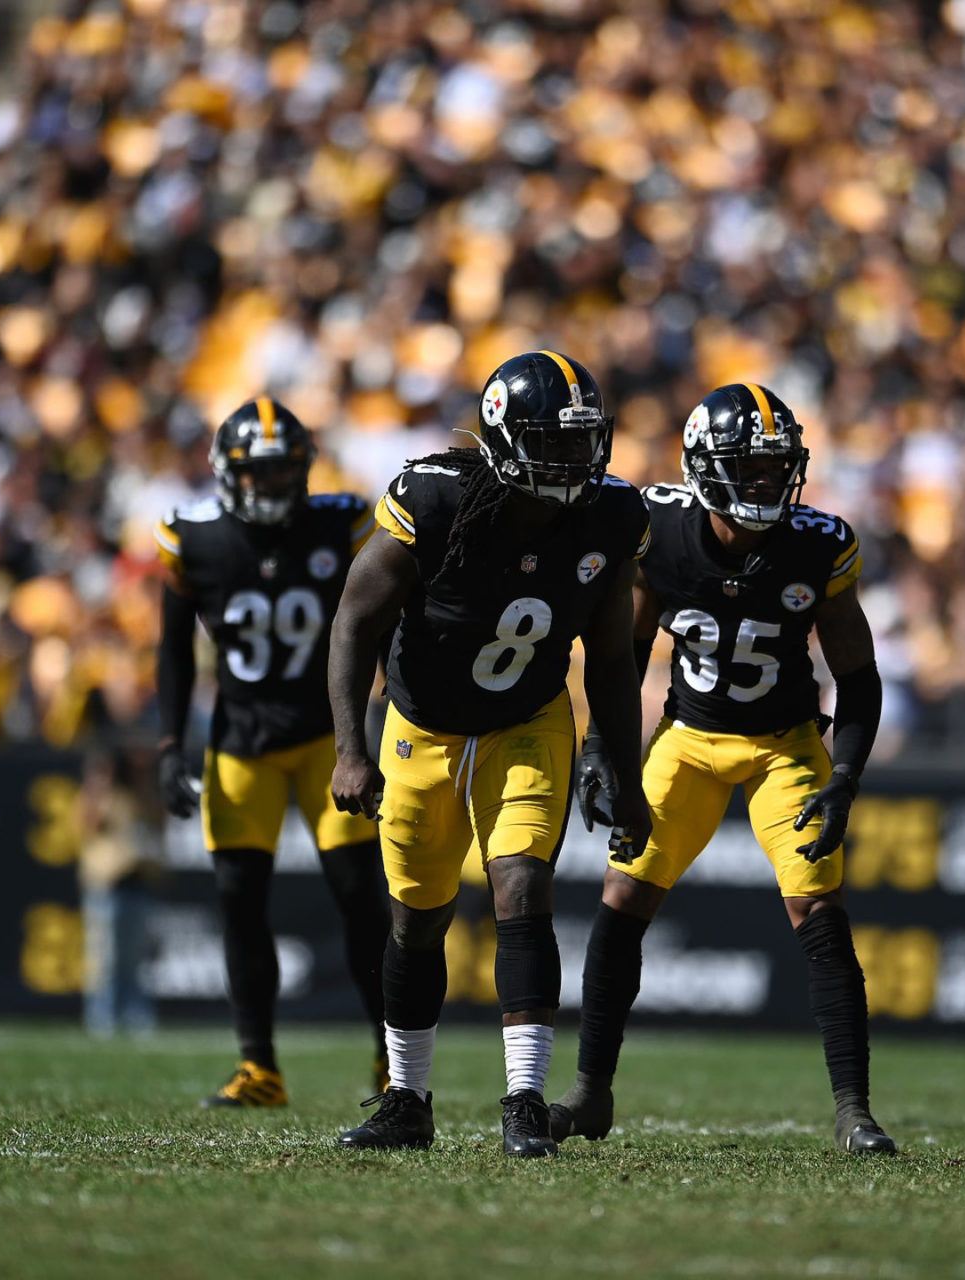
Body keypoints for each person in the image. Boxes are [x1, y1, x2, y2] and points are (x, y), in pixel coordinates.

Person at [549, 384, 895, 1157]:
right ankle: (590, 1091)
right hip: (690, 739)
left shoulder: (818, 544)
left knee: (818, 909)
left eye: (779, 470)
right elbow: (624, 648)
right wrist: (606, 745)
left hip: (786, 742)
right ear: (706, 467)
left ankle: (854, 1109)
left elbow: (858, 673)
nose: (770, 485)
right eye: (753, 469)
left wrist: (844, 775)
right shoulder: (660, 532)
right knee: (622, 895)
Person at [325, 351, 652, 1157]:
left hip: (528, 722)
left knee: (521, 889)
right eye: (556, 441)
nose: (578, 460)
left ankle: (525, 1102)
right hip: (421, 727)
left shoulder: (610, 517)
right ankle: (408, 1099)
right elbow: (353, 622)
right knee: (416, 922)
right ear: (506, 436)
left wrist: (627, 771)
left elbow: (610, 661)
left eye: (585, 441)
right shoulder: (435, 497)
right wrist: (348, 749)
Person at [155, 397, 391, 1108]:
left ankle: (392, 1061)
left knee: (359, 898)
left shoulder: (340, 522)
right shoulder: (191, 536)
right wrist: (170, 743)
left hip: (329, 739)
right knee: (239, 901)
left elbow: (390, 614)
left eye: (284, 471)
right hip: (242, 740)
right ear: (229, 474)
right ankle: (258, 1067)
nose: (272, 485)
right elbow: (170, 647)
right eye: (257, 473)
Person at [80, 745, 160, 1037]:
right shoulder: (104, 795)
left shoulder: (140, 795)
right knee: (107, 957)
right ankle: (103, 1016)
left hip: (139, 881)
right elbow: (89, 824)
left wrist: (144, 780)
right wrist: (100, 782)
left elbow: (159, 819)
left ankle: (134, 1014)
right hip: (109, 883)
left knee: (136, 957)